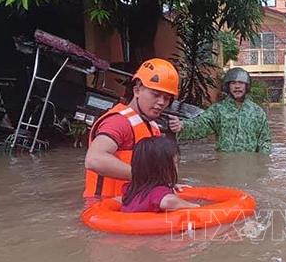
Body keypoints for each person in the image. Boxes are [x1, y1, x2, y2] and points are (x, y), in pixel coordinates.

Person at [84, 58, 181, 198]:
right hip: (105, 207)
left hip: (131, 205)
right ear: (137, 91)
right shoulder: (118, 122)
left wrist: (164, 184)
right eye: (155, 94)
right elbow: (94, 159)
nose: (161, 102)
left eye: (167, 98)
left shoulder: (152, 126)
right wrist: (147, 178)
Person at [170, 67, 271, 153]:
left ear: (246, 86)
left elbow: (265, 142)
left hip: (249, 166)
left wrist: (261, 165)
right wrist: (182, 126)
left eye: (241, 83)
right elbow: (201, 124)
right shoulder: (218, 110)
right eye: (233, 83)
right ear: (228, 86)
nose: (237, 86)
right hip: (225, 165)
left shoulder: (258, 112)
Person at [120, 136, 198, 212]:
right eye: (176, 163)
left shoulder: (130, 189)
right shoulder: (159, 193)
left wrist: (171, 185)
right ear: (162, 169)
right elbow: (168, 202)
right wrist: (193, 206)